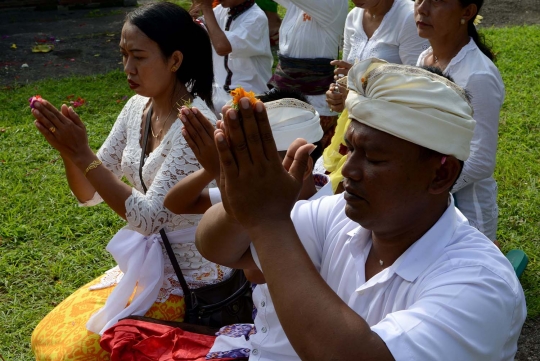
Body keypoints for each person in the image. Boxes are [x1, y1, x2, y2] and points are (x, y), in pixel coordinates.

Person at [195, 58, 526, 360]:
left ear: (441, 174)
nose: (349, 170)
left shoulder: (480, 283)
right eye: (350, 149)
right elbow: (217, 247)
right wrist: (241, 207)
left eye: (375, 159)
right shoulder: (338, 215)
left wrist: (267, 221)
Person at [30, 3, 234, 360]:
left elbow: (148, 217)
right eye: (124, 55)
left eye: (138, 56)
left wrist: (83, 155)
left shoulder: (194, 123)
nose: (127, 68)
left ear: (174, 60)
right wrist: (68, 151)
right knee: (45, 336)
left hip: (193, 277)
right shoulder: (136, 108)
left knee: (73, 353)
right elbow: (89, 193)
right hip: (147, 264)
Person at [414, 0, 504, 243]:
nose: (421, 8)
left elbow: (481, 160)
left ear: (467, 12)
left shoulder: (478, 75)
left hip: (467, 210)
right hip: (428, 199)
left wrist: (427, 190)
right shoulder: (425, 59)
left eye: (437, 2)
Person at [321, 0, 429, 192]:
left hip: (389, 131)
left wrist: (358, 88)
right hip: (354, 124)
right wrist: (338, 95)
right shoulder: (354, 16)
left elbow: (417, 89)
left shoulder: (408, 17)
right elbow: (346, 76)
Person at [268, 0, 349, 148]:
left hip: (315, 104)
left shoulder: (333, 3)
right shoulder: (297, 5)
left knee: (300, 159)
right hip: (283, 94)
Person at [196, 0, 273, 112]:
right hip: (219, 95)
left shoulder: (256, 18)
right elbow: (196, 33)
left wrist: (206, 8)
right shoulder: (221, 10)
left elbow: (222, 46)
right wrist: (191, 17)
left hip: (251, 98)